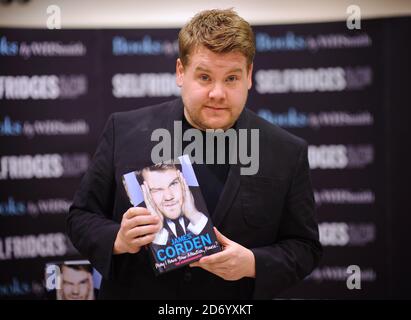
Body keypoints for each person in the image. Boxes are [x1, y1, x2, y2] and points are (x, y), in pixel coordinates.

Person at [67, 8, 322, 299]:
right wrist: (118, 239)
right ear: (180, 72)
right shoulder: (123, 131)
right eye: (204, 77)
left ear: (249, 76)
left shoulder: (287, 151)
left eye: (231, 79)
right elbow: (80, 217)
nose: (217, 93)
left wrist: (253, 264)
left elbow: (305, 247)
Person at [137, 162, 211, 246]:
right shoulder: (141, 228)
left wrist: (194, 215)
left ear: (183, 181)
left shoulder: (204, 208)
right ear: (145, 193)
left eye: (173, 184)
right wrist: (157, 231)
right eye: (156, 190)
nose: (168, 197)